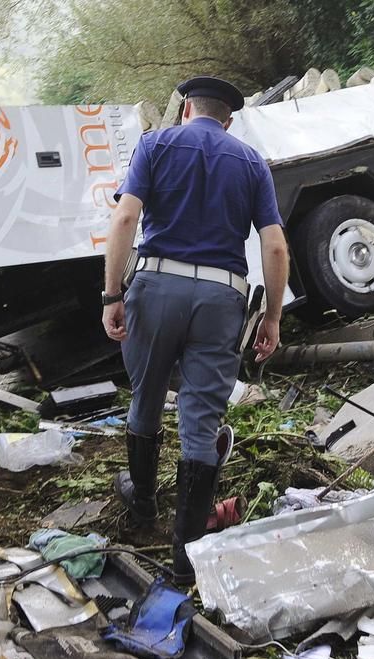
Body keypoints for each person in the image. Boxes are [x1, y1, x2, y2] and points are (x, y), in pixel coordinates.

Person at [101, 75, 290, 586]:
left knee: (147, 391)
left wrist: (112, 295)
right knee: (201, 419)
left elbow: (124, 221)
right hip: (221, 298)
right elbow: (274, 247)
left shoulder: (155, 144)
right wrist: (272, 316)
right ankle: (186, 557)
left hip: (157, 286)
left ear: (186, 109)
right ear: (228, 120)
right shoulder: (250, 162)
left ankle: (142, 501)